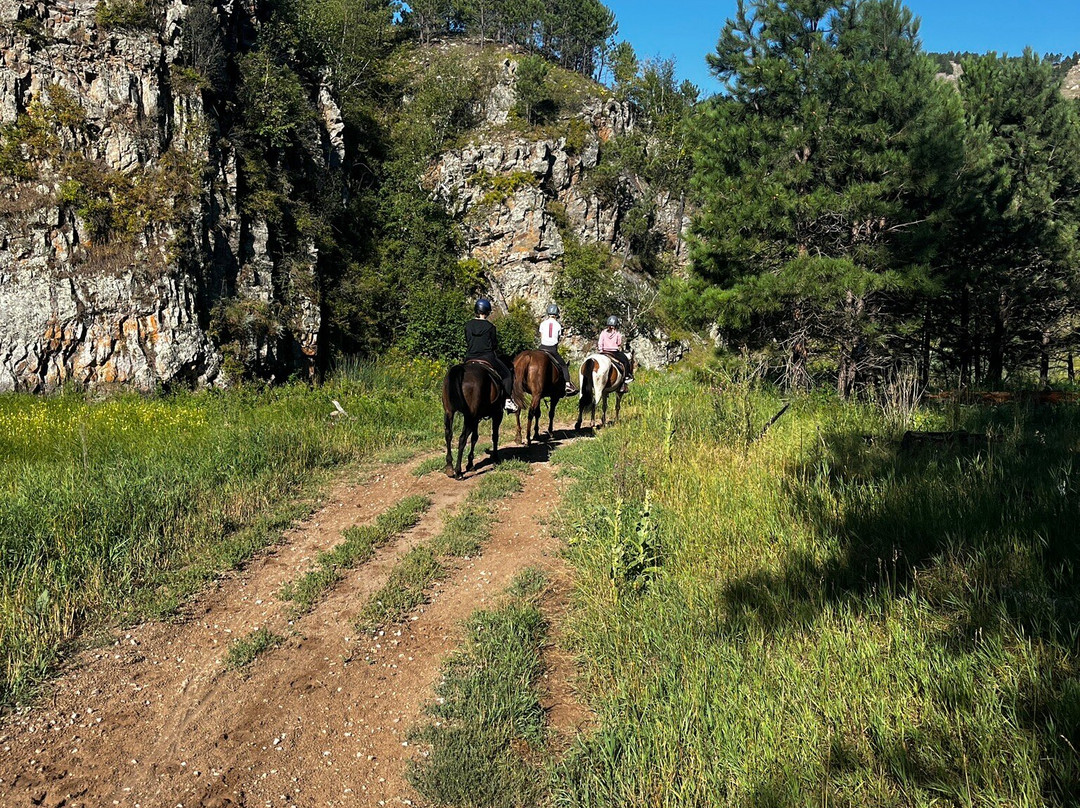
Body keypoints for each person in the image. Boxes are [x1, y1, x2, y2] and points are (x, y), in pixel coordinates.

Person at [465, 298, 518, 412]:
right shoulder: (490, 327)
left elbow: (468, 340)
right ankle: (508, 400)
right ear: (487, 312)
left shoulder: (468, 325)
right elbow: (494, 345)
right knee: (507, 374)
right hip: (487, 356)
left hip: (470, 356)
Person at [538, 304, 578, 395]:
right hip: (552, 349)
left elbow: (541, 336)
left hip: (542, 348)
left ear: (548, 313)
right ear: (557, 314)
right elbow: (558, 338)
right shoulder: (558, 325)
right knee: (563, 366)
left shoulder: (543, 324)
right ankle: (568, 384)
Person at [597, 315, 633, 391]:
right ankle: (626, 378)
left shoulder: (603, 333)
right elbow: (619, 343)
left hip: (603, 352)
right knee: (625, 361)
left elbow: (600, 343)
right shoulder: (617, 334)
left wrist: (601, 350)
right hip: (614, 352)